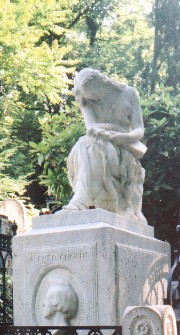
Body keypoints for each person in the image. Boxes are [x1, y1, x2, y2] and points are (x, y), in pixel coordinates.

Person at [63, 68, 147, 223]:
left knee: (87, 147)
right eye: (91, 97)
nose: (95, 98)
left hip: (125, 146)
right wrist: (108, 134)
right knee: (86, 146)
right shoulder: (87, 100)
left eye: (96, 93)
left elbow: (139, 130)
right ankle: (80, 199)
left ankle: (81, 200)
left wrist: (121, 136)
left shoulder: (129, 93)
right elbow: (92, 129)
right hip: (99, 142)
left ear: (103, 83)